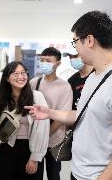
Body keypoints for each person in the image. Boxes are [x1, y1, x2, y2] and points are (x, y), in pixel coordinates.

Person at [25, 10, 112, 180]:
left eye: (75, 42)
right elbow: (83, 114)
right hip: (80, 172)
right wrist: (49, 113)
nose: (75, 48)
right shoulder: (94, 77)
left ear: (89, 40)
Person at [29, 47, 73, 180]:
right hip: (36, 140)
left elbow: (62, 117)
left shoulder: (64, 87)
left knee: (53, 175)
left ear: (58, 63)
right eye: (42, 60)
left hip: (54, 141)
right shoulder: (34, 83)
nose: (44, 63)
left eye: (48, 60)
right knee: (34, 173)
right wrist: (38, 137)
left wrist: (44, 135)